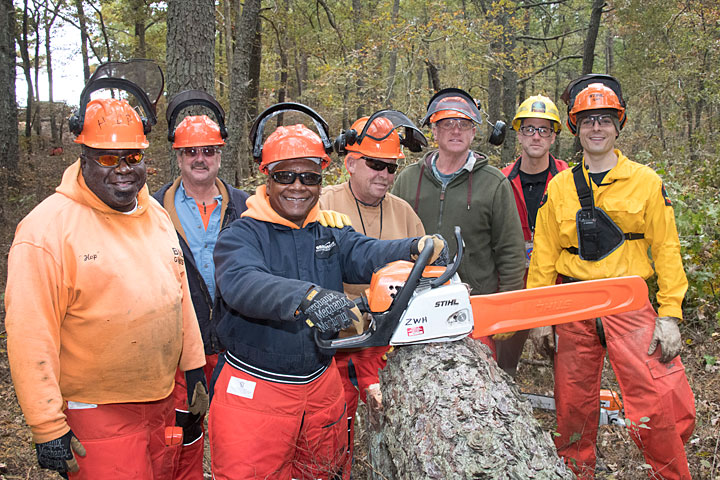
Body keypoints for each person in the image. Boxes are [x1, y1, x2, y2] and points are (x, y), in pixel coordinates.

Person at [207, 103, 445, 480]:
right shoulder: (242, 234)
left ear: (321, 179)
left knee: (326, 472)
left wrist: (413, 247)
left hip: (320, 387)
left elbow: (364, 251)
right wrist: (308, 297)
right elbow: (241, 282)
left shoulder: (327, 231)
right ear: (265, 176)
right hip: (255, 392)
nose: (298, 187)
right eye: (286, 176)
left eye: (309, 177)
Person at [4, 62, 207, 479]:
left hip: (162, 399)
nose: (122, 168)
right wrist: (46, 426)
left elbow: (179, 296)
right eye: (107, 157)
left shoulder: (154, 214)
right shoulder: (47, 230)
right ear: (84, 158)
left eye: (131, 156)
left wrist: (195, 368)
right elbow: (30, 333)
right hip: (94, 410)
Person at [527, 74, 695, 479]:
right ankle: (575, 471)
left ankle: (671, 473)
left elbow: (667, 250)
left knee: (658, 400)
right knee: (572, 407)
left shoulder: (646, 182)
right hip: (573, 303)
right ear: (575, 128)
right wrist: (539, 316)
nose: (596, 127)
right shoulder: (560, 186)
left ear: (617, 125)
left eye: (604, 119)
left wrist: (670, 314)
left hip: (628, 301)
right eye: (587, 121)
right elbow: (545, 256)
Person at [319, 111, 426, 476]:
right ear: (350, 163)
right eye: (376, 164)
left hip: (390, 350)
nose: (384, 175)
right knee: (332, 438)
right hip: (338, 348)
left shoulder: (405, 213)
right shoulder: (323, 205)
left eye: (392, 168)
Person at [392, 87, 526, 369]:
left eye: (464, 124)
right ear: (434, 131)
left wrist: (508, 313)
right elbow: (389, 241)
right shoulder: (407, 180)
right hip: (416, 308)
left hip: (474, 309)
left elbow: (511, 254)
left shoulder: (494, 183)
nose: (456, 131)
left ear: (474, 132)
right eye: (447, 124)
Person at [153, 90, 249, 480]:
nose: (200, 159)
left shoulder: (247, 207)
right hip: (177, 351)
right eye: (191, 151)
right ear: (178, 157)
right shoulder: (152, 209)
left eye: (208, 151)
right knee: (181, 441)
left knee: (238, 442)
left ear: (220, 155)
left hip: (235, 345)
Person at [499, 95, 569, 376]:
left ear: (554, 137)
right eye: (529, 129)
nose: (536, 136)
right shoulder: (501, 181)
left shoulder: (570, 180)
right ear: (519, 134)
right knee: (502, 361)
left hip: (557, 283)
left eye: (544, 130)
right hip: (514, 282)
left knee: (568, 365)